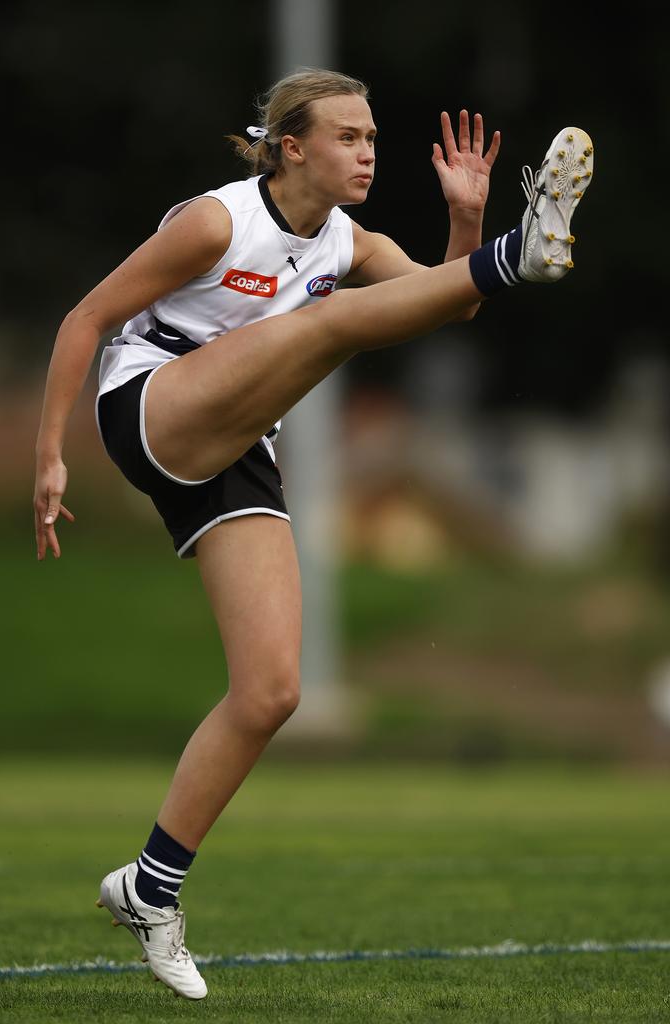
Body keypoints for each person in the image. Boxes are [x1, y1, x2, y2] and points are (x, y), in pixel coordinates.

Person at [33, 68, 593, 999]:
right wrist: (49, 455)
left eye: (373, 138)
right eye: (347, 137)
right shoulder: (216, 223)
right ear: (291, 146)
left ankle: (151, 885)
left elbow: (442, 302)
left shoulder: (351, 243)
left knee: (272, 691)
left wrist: (464, 231)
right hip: (152, 406)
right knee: (329, 322)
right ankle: (522, 251)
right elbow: (85, 317)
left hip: (240, 442)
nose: (368, 152)